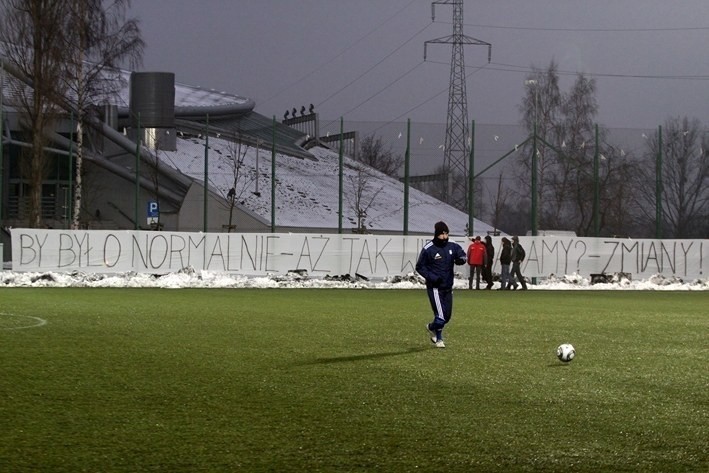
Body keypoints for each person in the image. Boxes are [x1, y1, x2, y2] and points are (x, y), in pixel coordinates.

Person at [416, 221, 467, 348]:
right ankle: (438, 337)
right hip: (435, 288)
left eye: (446, 234)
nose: (445, 237)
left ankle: (432, 329)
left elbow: (462, 255)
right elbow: (420, 267)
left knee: (447, 316)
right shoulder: (429, 249)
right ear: (437, 234)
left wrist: (461, 259)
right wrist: (432, 277)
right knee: (441, 316)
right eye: (442, 234)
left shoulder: (453, 245)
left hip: (448, 286)